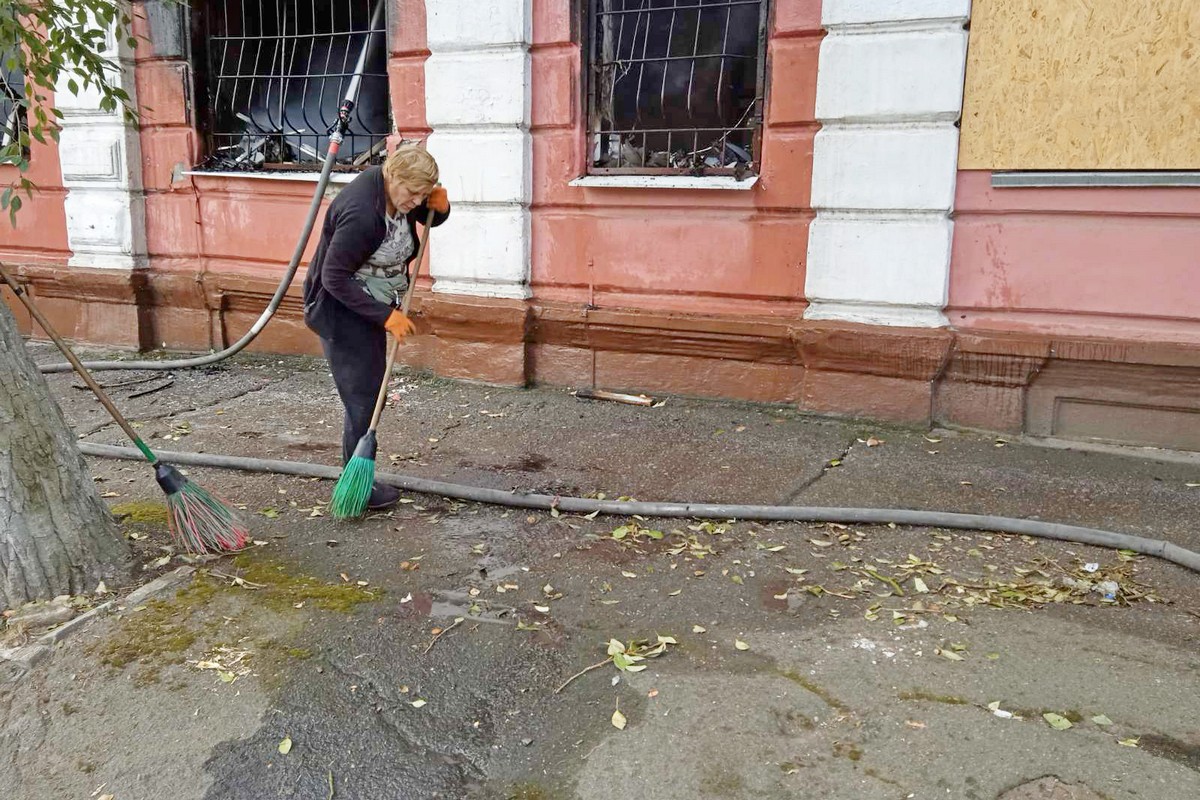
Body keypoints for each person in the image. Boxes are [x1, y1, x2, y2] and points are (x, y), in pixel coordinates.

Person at [303, 145, 450, 510]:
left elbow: (426, 214)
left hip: (369, 304)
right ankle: (359, 486)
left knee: (367, 396)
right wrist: (386, 317)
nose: (416, 201)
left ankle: (357, 477)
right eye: (411, 193)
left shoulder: (400, 191)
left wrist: (441, 208)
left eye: (422, 193)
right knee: (364, 399)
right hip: (341, 311)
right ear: (391, 176)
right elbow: (333, 278)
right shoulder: (361, 213)